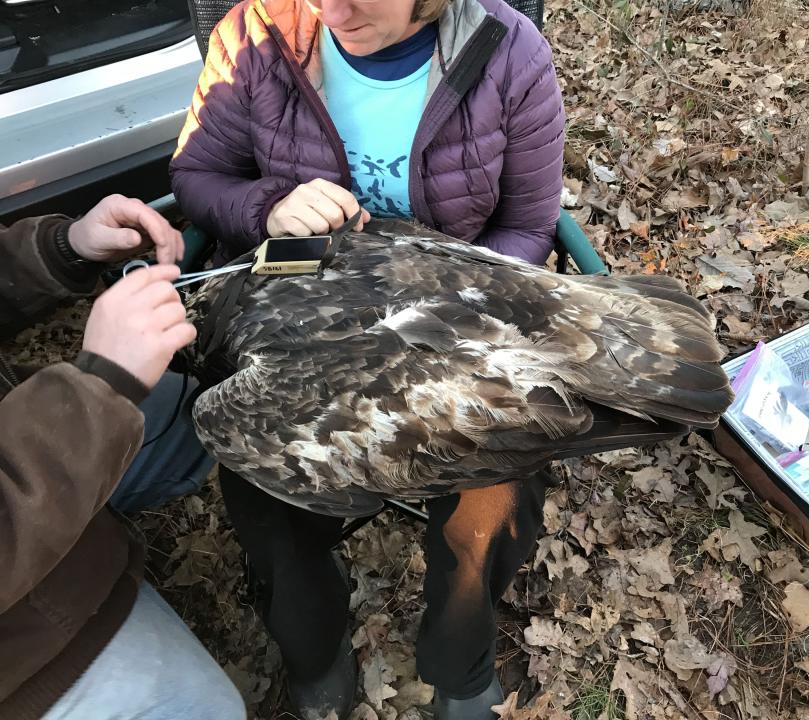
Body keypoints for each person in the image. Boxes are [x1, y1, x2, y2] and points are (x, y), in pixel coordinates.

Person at [170, 0, 564, 717]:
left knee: (500, 489)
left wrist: (456, 305)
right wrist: (270, 207)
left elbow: (530, 224)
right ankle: (314, 649)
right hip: (295, 333)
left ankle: (460, 663)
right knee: (263, 491)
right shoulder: (256, 35)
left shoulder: (509, 54)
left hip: (447, 331)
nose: (333, 10)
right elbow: (197, 176)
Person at [0, 194, 246, 720]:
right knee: (206, 710)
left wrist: (62, 248)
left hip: (20, 447)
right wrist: (100, 389)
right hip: (19, 649)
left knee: (203, 416)